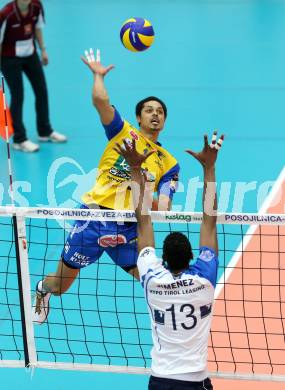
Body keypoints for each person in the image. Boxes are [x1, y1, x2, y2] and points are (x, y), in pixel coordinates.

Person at [33, 48, 180, 324]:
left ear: (164, 120)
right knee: (60, 287)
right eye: (149, 110)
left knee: (158, 284)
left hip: (130, 228)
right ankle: (42, 290)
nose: (155, 115)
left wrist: (142, 184)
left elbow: (165, 206)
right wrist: (98, 76)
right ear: (138, 117)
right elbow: (101, 102)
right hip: (93, 218)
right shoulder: (121, 131)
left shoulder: (168, 163)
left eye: (160, 112)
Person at [114, 131, 224, 390]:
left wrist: (134, 167)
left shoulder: (152, 278)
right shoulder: (204, 279)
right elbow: (209, 218)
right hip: (195, 381)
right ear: (192, 258)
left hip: (161, 381)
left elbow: (143, 220)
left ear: (162, 259)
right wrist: (209, 168)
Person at [0, 0, 67, 152]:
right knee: (18, 95)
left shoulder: (37, 7)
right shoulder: (6, 14)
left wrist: (43, 50)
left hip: (30, 54)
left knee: (41, 90)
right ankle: (19, 139)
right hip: (9, 58)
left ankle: (44, 131)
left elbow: (37, 29)